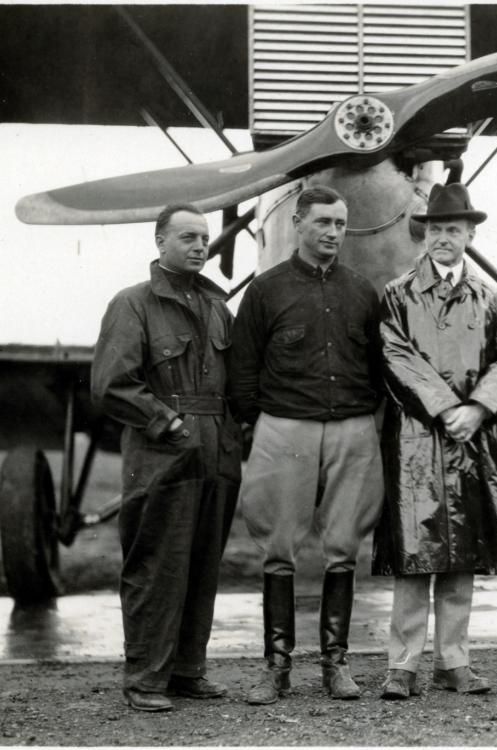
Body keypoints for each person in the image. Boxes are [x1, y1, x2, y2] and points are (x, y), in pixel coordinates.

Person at [229, 186, 384, 704]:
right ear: (298, 223)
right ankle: (276, 667)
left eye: (340, 224)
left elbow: (379, 367)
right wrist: (266, 423)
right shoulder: (266, 290)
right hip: (285, 427)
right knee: (278, 547)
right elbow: (243, 368)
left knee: (343, 547)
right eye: (323, 223)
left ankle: (335, 665)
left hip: (351, 429)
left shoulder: (363, 290)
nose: (333, 233)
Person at [92, 203, 241, 712]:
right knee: (157, 563)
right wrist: (168, 423)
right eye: (187, 237)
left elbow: (237, 384)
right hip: (163, 454)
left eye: (204, 237)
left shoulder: (218, 308)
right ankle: (145, 680)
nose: (200, 245)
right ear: (160, 243)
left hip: (217, 453)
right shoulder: (132, 304)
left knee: (203, 564)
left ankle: (186, 672)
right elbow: (112, 385)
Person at [373, 183, 497, 700]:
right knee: (416, 556)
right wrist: (447, 407)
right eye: (434, 229)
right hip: (416, 439)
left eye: (452, 230)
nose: (441, 238)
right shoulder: (397, 293)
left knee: (463, 558)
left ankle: (454, 660)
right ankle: (404, 664)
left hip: (472, 441)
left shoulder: (490, 298)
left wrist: (478, 408)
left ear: (470, 235)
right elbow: (395, 356)